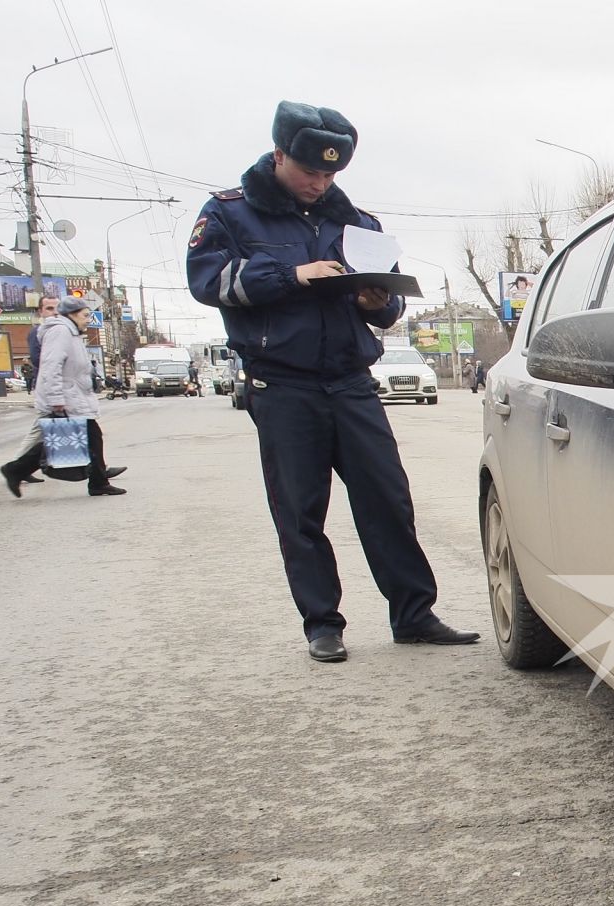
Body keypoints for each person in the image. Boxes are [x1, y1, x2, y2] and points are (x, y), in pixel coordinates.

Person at [185, 100, 479, 664]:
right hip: (282, 382)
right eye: (309, 171)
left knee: (388, 499)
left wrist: (379, 302)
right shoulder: (229, 213)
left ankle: (414, 614)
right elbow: (207, 280)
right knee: (301, 510)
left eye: (329, 173)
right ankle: (322, 623)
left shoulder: (358, 223)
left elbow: (389, 304)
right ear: (279, 156)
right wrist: (293, 275)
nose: (320, 182)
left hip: (351, 380)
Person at [0, 295, 127, 498]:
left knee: (79, 439)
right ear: (72, 315)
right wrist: (56, 399)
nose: (88, 319)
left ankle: (16, 469)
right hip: (66, 398)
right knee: (79, 439)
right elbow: (51, 366)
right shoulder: (60, 332)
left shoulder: (71, 333)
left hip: (73, 396)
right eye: (85, 315)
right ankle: (98, 482)